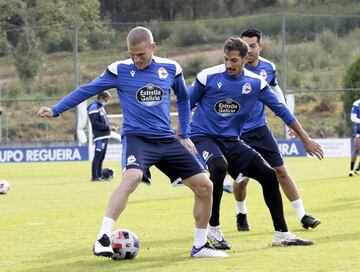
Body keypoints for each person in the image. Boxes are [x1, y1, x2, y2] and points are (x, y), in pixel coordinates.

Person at [37, 26, 228, 258]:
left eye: (141, 54)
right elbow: (86, 90)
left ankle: (200, 246)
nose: (136, 59)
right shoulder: (119, 70)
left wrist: (185, 133)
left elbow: (184, 100)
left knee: (205, 186)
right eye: (131, 55)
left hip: (166, 139)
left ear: (152, 47)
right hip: (137, 138)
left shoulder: (171, 68)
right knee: (133, 177)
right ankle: (103, 238)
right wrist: (56, 110)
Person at [189, 36, 324, 249]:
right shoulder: (208, 77)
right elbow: (186, 103)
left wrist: (304, 138)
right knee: (218, 167)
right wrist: (181, 134)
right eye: (226, 60)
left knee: (270, 175)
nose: (228, 65)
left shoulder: (255, 83)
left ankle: (282, 234)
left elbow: (281, 110)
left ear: (245, 58)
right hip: (204, 136)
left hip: (231, 140)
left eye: (234, 60)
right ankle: (213, 229)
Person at [221, 28, 320, 232]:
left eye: (252, 46)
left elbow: (275, 91)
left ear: (260, 46)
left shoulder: (269, 68)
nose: (248, 50)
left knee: (281, 171)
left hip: (260, 129)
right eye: (244, 46)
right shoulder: (230, 71)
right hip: (237, 133)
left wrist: (288, 121)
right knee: (242, 179)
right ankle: (241, 212)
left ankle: (302, 215)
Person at [87, 91, 117, 181]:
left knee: (101, 157)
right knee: (98, 156)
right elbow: (95, 123)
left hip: (104, 135)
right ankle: (95, 176)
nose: (106, 102)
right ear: (100, 98)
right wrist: (108, 127)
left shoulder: (100, 107)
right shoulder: (93, 107)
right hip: (99, 136)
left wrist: (109, 128)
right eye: (106, 100)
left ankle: (100, 175)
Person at [349, 98, 360, 176]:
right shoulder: (357, 103)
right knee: (356, 148)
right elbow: (353, 118)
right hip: (359, 129)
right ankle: (351, 170)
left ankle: (358, 167)